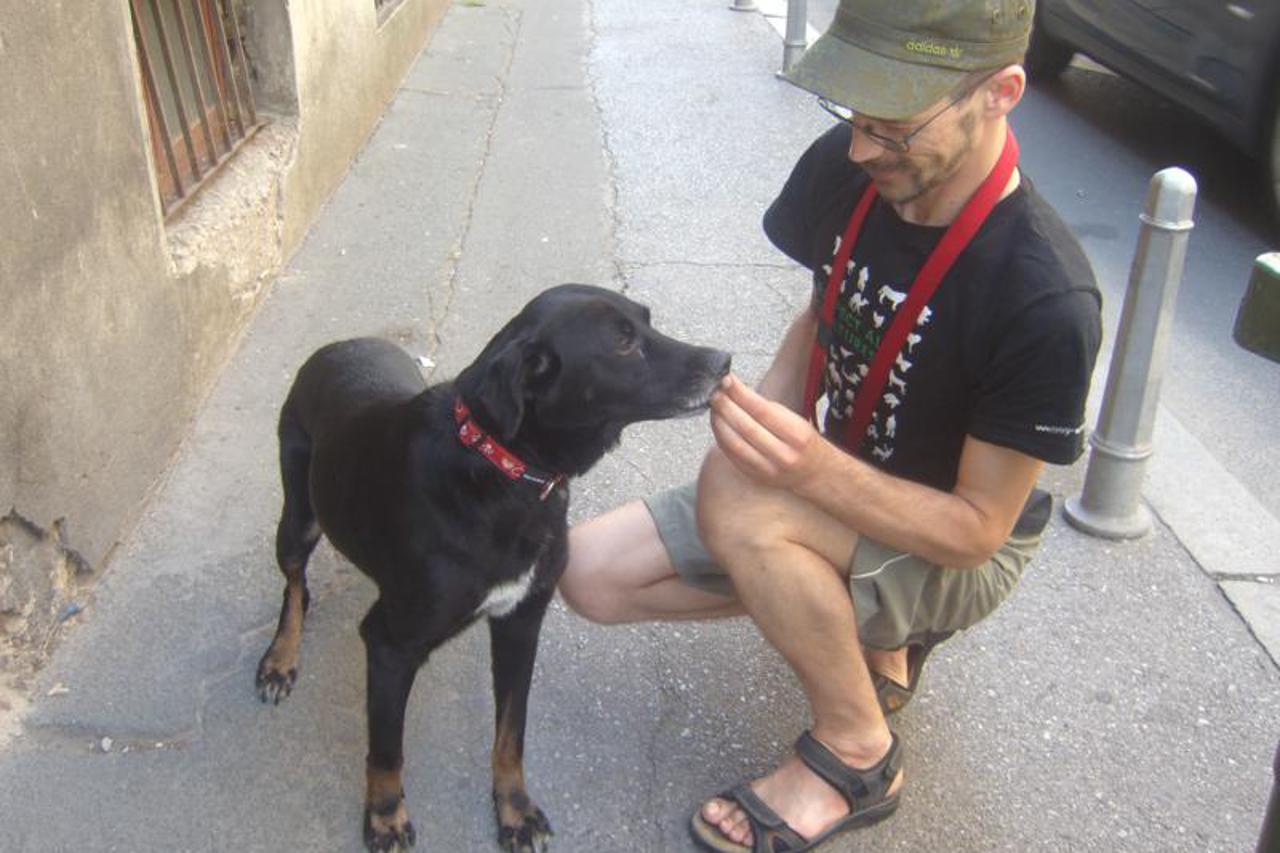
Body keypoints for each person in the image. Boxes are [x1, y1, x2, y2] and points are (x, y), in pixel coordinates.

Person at [559, 0, 1102, 850]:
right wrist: (776, 412)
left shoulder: (1044, 298)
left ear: (1000, 93)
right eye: (854, 113)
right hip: (834, 485)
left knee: (741, 505)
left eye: (894, 125)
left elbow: (975, 531)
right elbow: (829, 305)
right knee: (587, 574)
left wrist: (804, 473)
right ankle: (844, 619)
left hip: (951, 539)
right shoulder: (854, 170)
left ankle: (858, 751)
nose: (860, 149)